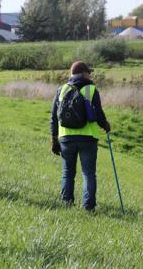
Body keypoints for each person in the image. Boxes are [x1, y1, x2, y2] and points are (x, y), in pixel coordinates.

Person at [50, 61, 111, 212]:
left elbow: (53, 117)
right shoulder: (91, 89)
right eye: (88, 72)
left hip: (66, 138)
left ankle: (66, 203)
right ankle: (88, 207)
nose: (90, 74)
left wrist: (54, 138)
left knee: (67, 173)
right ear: (83, 73)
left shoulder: (61, 89)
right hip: (88, 138)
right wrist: (105, 125)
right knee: (89, 174)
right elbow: (98, 113)